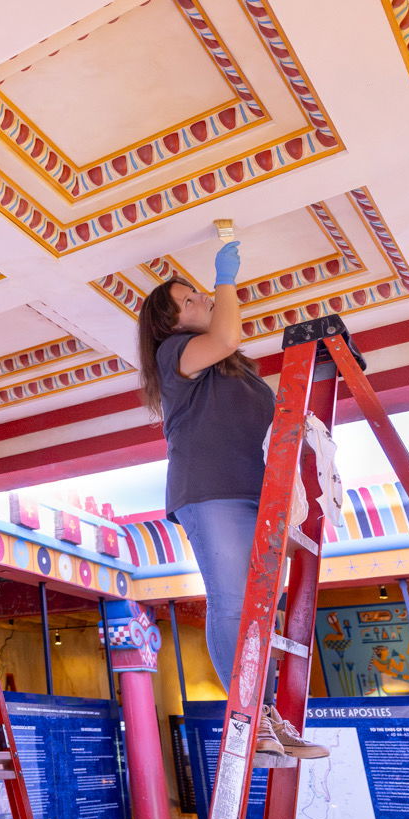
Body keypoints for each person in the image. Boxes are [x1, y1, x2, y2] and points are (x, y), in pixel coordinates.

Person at [136, 240, 327, 761]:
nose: (203, 299)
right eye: (190, 298)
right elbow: (224, 333)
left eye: (200, 292)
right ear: (169, 322)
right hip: (212, 490)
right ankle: (250, 715)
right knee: (235, 601)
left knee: (262, 607)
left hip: (256, 493)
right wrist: (226, 279)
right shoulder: (174, 354)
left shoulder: (240, 373)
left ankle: (263, 713)